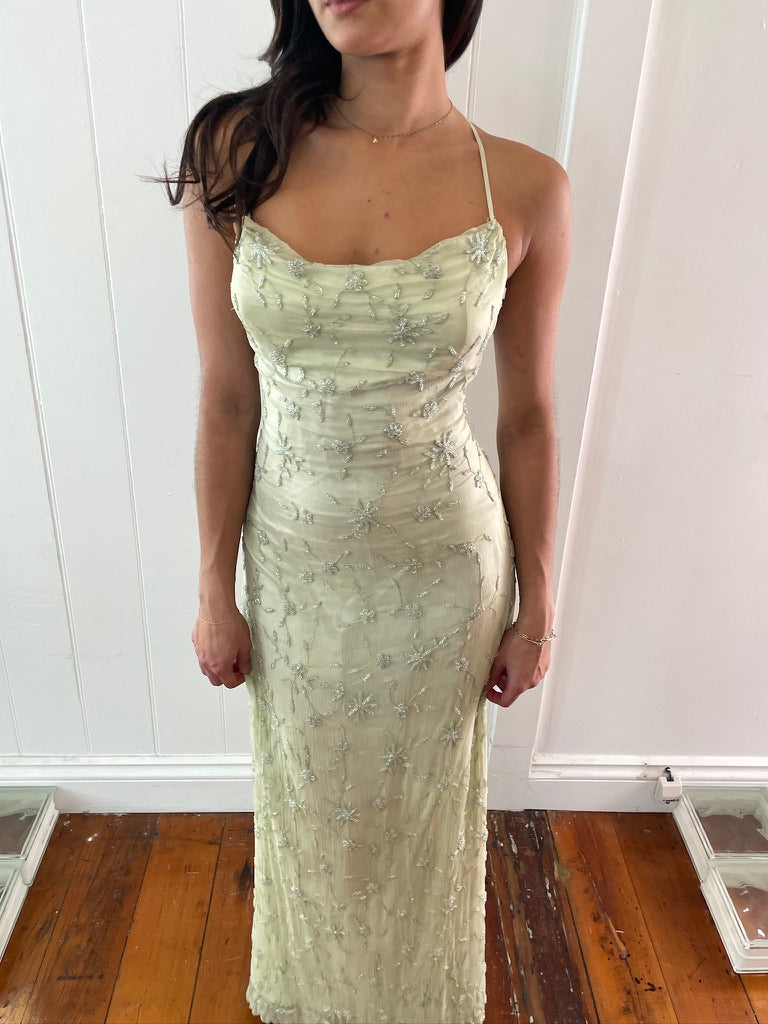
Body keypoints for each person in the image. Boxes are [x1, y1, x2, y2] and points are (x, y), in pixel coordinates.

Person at [158, 0, 570, 1019]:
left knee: (421, 823)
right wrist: (212, 586)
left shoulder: (525, 186)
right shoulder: (235, 152)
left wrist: (539, 606)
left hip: (444, 573)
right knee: (312, 813)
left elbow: (528, 417)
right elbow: (225, 399)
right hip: (293, 570)